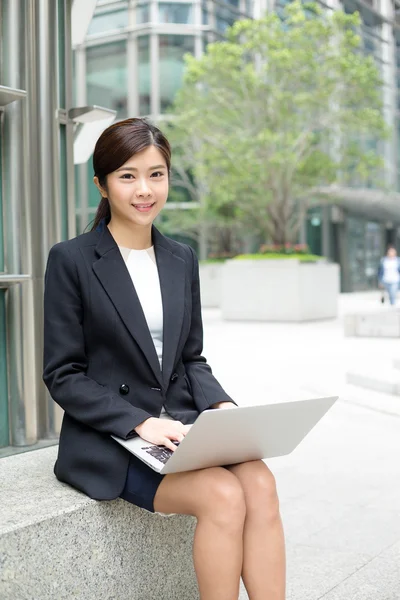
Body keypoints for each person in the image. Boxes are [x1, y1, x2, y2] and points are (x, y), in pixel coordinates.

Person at [43, 118, 285, 600]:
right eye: (128, 176)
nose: (144, 190)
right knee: (222, 494)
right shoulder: (72, 260)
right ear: (102, 185)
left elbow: (192, 359)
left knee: (259, 480)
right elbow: (63, 374)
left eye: (156, 174)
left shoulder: (181, 258)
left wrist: (222, 410)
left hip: (181, 428)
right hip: (110, 438)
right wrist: (139, 422)